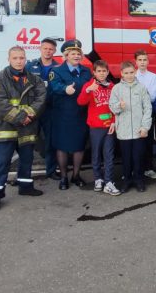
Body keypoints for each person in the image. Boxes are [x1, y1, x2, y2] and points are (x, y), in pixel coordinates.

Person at [0, 46, 46, 212]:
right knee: (1, 163)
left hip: (27, 129)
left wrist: (28, 115)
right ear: (9, 59)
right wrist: (22, 117)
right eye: (15, 58)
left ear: (25, 59)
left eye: (22, 58)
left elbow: (41, 99)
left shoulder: (34, 80)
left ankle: (25, 186)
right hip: (6, 129)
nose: (19, 61)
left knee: (26, 161)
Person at [49, 39, 92, 190]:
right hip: (63, 115)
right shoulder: (56, 71)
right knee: (62, 147)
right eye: (73, 53)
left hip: (81, 114)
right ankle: (63, 178)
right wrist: (64, 89)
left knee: (79, 146)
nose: (76, 56)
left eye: (78, 53)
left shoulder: (87, 71)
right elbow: (54, 87)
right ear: (66, 55)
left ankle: (76, 175)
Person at [77, 60, 120, 196]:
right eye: (99, 71)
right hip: (96, 127)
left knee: (109, 154)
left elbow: (115, 107)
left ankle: (108, 181)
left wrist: (114, 121)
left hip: (110, 127)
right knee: (96, 154)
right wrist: (88, 91)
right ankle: (98, 179)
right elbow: (81, 102)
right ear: (94, 72)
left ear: (108, 72)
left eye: (104, 71)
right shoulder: (89, 85)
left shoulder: (112, 86)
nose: (102, 74)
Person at [109, 61, 152, 193]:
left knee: (138, 157)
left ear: (135, 72)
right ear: (121, 73)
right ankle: (127, 180)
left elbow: (147, 108)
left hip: (139, 130)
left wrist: (145, 127)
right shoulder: (116, 88)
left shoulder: (141, 88)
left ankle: (139, 180)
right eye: (126, 73)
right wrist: (118, 106)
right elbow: (112, 106)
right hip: (124, 130)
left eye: (131, 72)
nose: (129, 75)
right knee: (126, 158)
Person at [25, 38, 59, 180]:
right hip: (33, 109)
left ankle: (51, 171)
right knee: (27, 141)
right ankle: (24, 174)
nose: (48, 51)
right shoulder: (30, 66)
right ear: (40, 49)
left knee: (50, 141)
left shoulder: (59, 67)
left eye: (51, 49)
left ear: (54, 51)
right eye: (45, 48)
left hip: (50, 110)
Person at [134, 50, 156, 180]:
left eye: (144, 60)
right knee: (135, 142)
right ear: (136, 61)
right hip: (133, 115)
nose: (142, 62)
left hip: (148, 114)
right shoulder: (131, 75)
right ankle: (136, 169)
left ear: (148, 62)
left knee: (148, 142)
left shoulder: (154, 77)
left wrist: (137, 95)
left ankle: (148, 168)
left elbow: (153, 96)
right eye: (140, 60)